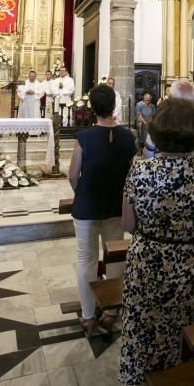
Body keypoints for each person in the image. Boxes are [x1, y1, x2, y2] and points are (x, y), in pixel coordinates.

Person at [119, 98, 194, 384]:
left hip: (149, 264)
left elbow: (127, 224)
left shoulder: (141, 170)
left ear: (157, 130)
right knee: (189, 330)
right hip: (193, 263)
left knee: (144, 333)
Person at [69, 84, 137, 334]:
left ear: (92, 108)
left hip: (87, 207)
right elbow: (132, 175)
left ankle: (88, 315)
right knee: (114, 258)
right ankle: (110, 310)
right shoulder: (128, 137)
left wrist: (83, 194)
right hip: (116, 206)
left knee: (86, 260)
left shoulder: (84, 138)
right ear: (113, 106)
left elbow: (73, 175)